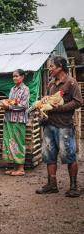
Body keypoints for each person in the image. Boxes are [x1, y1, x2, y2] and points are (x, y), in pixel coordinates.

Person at [36, 56, 83, 197]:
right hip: (49, 125)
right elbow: (49, 100)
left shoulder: (71, 82)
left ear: (60, 67)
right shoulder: (51, 84)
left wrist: (59, 107)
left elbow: (78, 102)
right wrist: (45, 100)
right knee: (49, 156)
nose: (50, 69)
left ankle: (74, 187)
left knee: (69, 156)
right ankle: (52, 185)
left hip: (64, 126)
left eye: (52, 66)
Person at [1, 69, 30, 176]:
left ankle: (21, 168)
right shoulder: (12, 89)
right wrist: (5, 104)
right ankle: (15, 168)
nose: (14, 78)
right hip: (9, 119)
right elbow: (10, 102)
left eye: (17, 76)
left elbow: (23, 106)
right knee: (11, 142)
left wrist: (8, 106)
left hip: (19, 120)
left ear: (22, 77)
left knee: (18, 142)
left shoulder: (25, 89)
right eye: (13, 76)